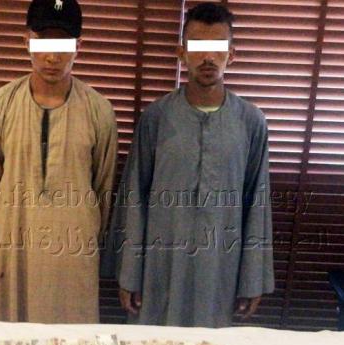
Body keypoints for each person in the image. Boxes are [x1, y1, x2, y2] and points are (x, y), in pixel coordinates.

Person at [104, 2, 274, 327]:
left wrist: (251, 280)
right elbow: (134, 198)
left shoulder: (250, 123)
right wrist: (130, 274)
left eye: (217, 47)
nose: (208, 57)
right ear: (181, 53)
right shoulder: (156, 118)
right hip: (160, 266)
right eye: (197, 46)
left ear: (231, 54)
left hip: (220, 268)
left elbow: (257, 205)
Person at [0, 0, 118, 323]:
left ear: (79, 46)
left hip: (73, 255)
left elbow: (103, 194)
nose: (52, 57)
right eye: (43, 43)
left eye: (63, 44)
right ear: (26, 41)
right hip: (14, 252)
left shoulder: (100, 112)